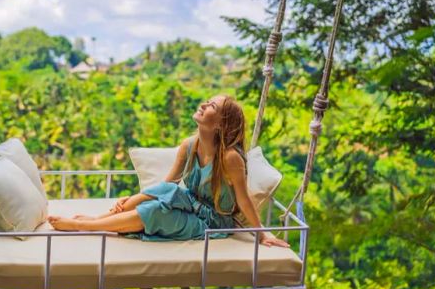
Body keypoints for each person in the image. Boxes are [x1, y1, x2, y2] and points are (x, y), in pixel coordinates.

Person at [47, 95, 290, 248]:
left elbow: (244, 200)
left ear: (220, 125)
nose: (204, 104)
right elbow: (167, 185)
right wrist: (132, 200)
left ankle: (85, 226)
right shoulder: (190, 145)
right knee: (164, 192)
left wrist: (262, 234)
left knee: (155, 212)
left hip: (212, 221)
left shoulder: (230, 158)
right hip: (190, 202)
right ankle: (99, 219)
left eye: (212, 105)